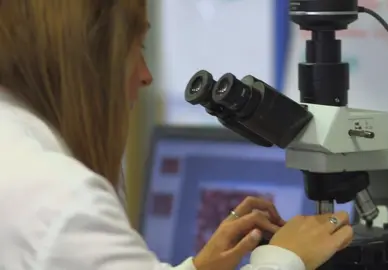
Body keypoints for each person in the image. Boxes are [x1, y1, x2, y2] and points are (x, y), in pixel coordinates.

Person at [0, 1, 354, 270]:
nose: (146, 75)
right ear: (90, 58)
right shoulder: (64, 202)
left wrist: (199, 268)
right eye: (136, 47)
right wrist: (283, 259)